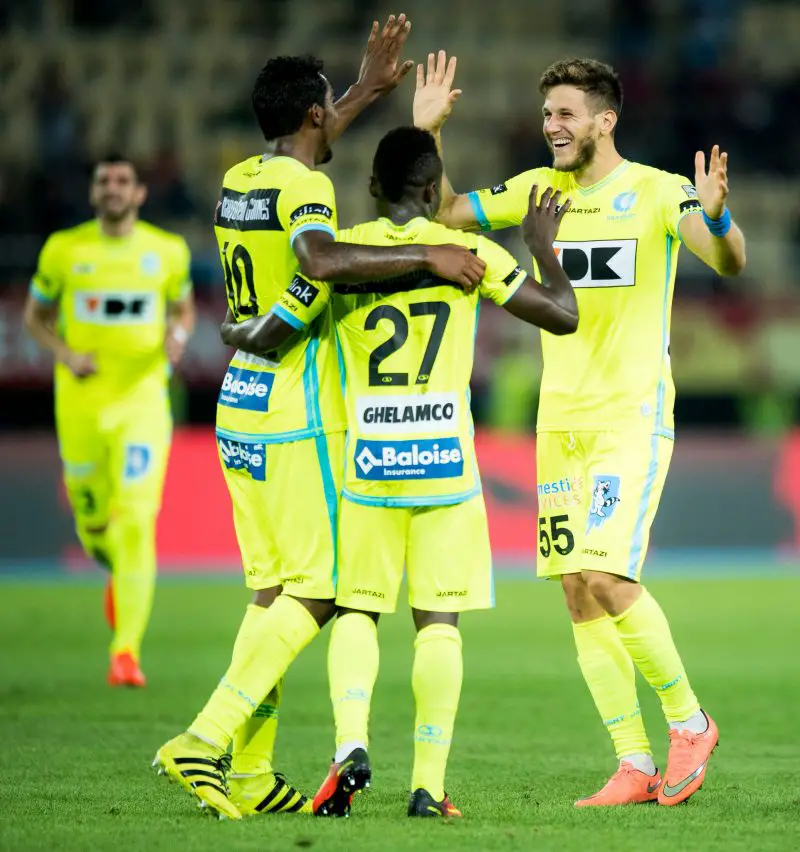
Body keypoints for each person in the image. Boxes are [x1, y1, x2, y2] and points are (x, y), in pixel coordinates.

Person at [153, 17, 487, 822]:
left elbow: (309, 151)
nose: (334, 120)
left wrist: (368, 88)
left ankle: (250, 770)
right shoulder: (308, 191)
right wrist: (428, 253)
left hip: (240, 400)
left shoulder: (240, 177)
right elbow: (320, 259)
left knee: (270, 591)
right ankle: (204, 739)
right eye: (329, 107)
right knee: (320, 593)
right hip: (297, 411)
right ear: (311, 115)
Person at [413, 52, 746, 807]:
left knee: (606, 575)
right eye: (546, 114)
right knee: (575, 589)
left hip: (631, 416)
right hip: (560, 420)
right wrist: (429, 133)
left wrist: (718, 215)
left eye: (565, 114)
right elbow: (448, 211)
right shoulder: (538, 189)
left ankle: (690, 722)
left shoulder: (657, 191)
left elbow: (728, 261)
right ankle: (632, 763)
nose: (551, 126)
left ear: (605, 119)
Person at [220, 126, 578, 818]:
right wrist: (541, 250)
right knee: (438, 623)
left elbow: (274, 331)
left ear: (372, 188)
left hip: (367, 462)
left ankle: (349, 745)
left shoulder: (342, 256)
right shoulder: (470, 253)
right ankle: (427, 786)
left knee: (357, 609)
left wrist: (237, 332)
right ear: (433, 190)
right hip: (444, 463)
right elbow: (562, 316)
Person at [24, 154, 194, 688]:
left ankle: (125, 652)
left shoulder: (167, 251)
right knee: (96, 529)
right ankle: (118, 570)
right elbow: (35, 317)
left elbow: (183, 309)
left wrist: (177, 338)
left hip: (142, 403)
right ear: (93, 192)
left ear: (139, 193)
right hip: (81, 405)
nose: (113, 188)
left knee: (139, 520)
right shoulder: (64, 250)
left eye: (123, 180)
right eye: (104, 181)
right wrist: (65, 354)